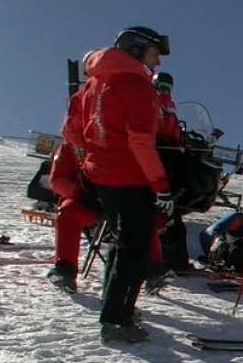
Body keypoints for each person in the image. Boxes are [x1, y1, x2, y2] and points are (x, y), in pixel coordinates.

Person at [62, 26, 172, 343]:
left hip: (99, 176)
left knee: (121, 242)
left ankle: (117, 308)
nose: (158, 63)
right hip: (130, 177)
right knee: (134, 248)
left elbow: (71, 130)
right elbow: (140, 142)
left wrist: (88, 159)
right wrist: (161, 185)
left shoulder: (94, 82)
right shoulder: (137, 86)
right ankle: (116, 320)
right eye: (154, 55)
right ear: (137, 51)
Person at [45, 140, 100, 293]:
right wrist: (81, 193)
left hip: (120, 198)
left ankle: (157, 265)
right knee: (68, 213)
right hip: (86, 202)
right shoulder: (70, 148)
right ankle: (65, 270)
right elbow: (58, 180)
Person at [151, 71, 192, 275]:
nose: (163, 91)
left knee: (169, 213)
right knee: (164, 212)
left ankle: (174, 261)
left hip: (166, 156)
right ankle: (169, 261)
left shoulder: (169, 108)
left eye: (167, 88)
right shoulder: (153, 103)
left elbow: (173, 132)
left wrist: (178, 144)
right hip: (157, 156)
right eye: (161, 86)